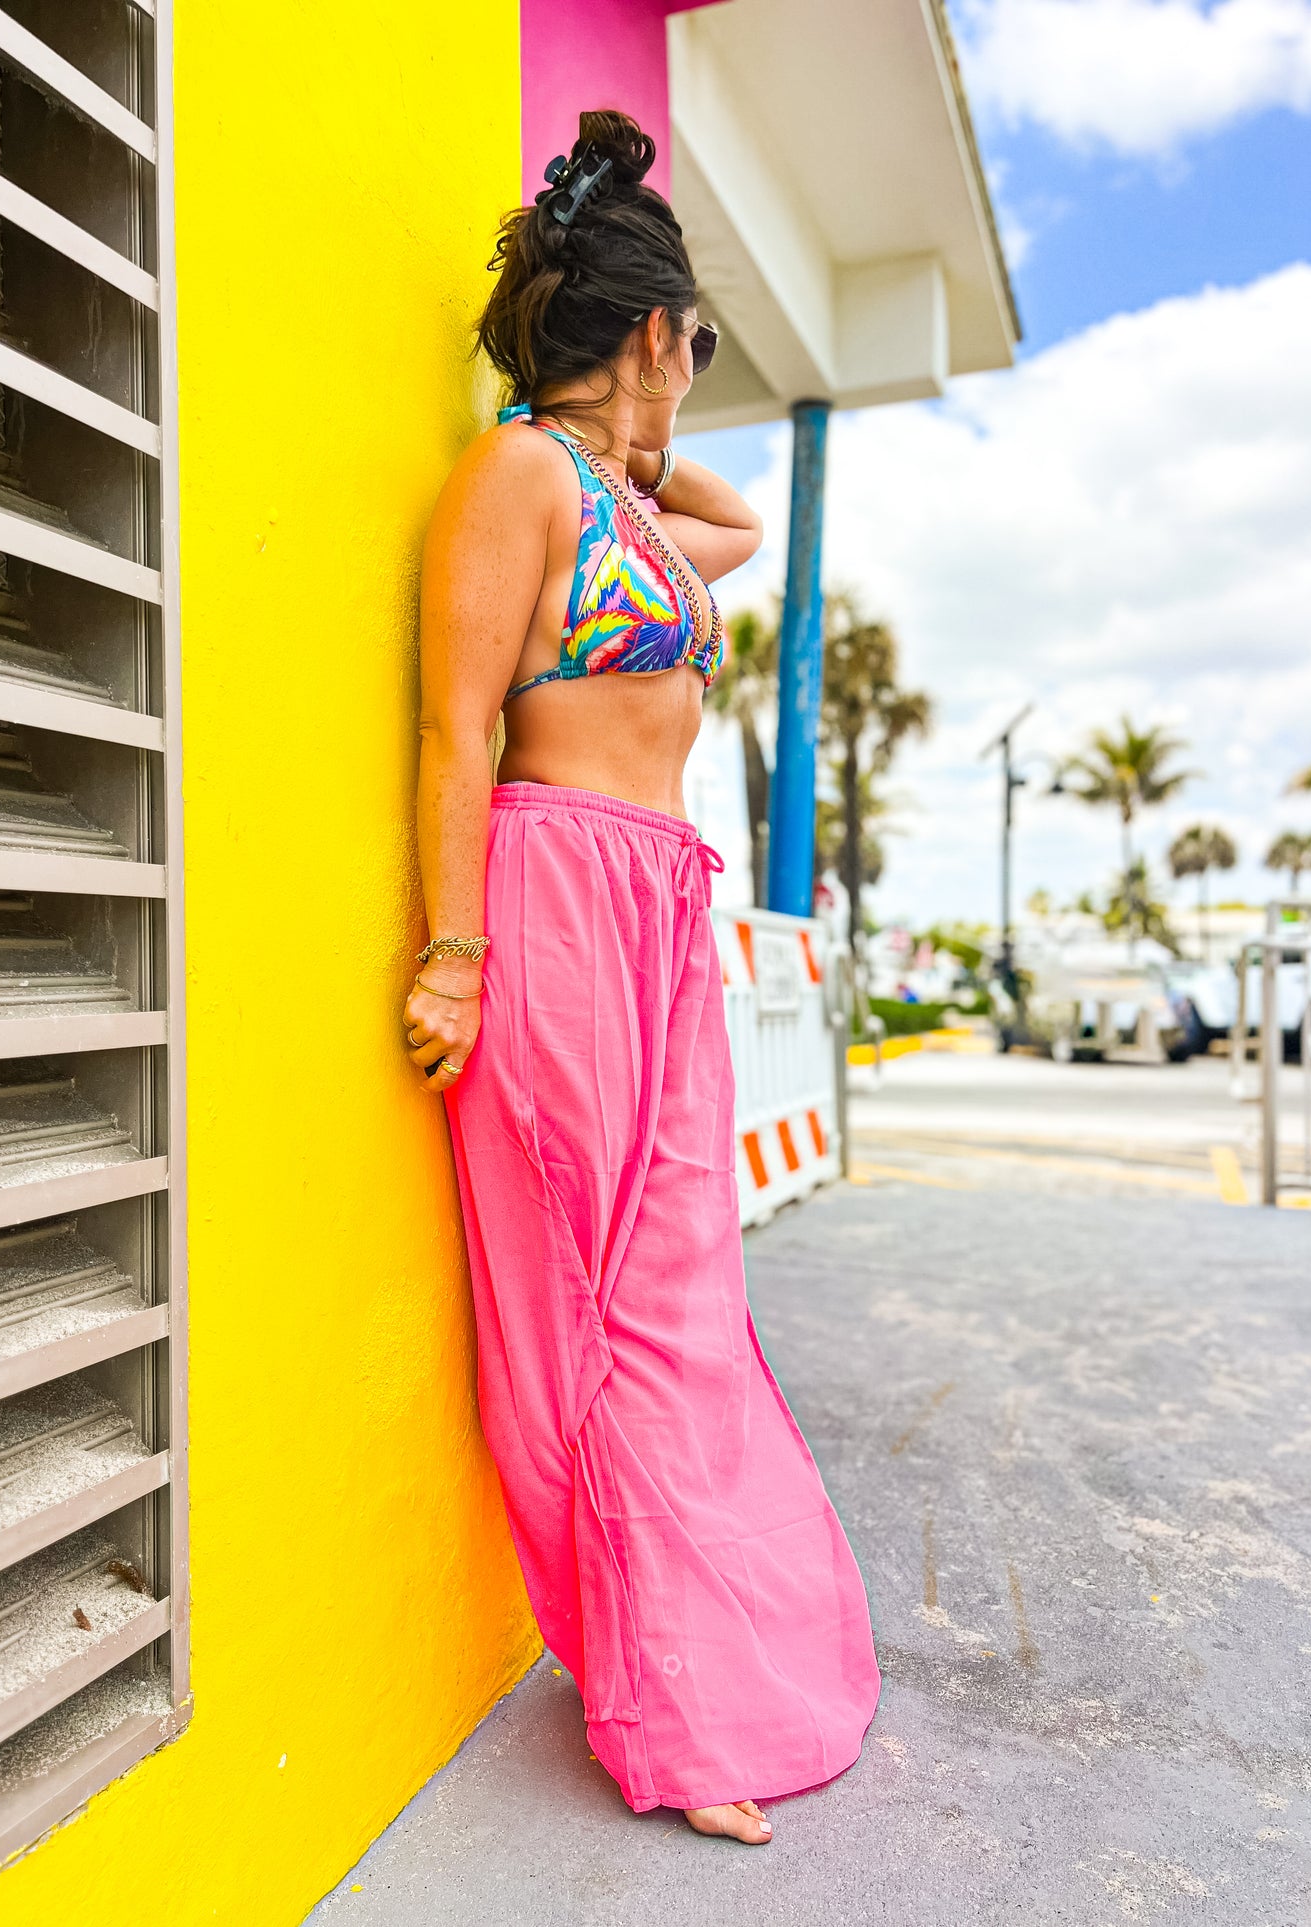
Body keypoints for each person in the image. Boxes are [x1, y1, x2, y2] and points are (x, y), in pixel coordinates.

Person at [405, 110, 880, 1846]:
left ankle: (705, 1667)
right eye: (692, 341)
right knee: (582, 1310)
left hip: (660, 907)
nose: (696, 373)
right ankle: (662, 1707)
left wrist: (633, 428)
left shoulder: (616, 498)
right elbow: (455, 728)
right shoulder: (518, 479)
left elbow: (727, 522)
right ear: (657, 335)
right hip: (553, 899)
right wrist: (452, 954)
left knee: (679, 1297)